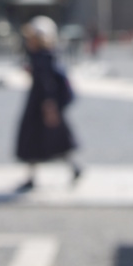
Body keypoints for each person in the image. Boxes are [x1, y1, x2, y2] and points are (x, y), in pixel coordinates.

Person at [15, 15, 82, 192]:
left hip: (42, 107)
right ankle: (36, 175)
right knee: (49, 142)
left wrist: (49, 105)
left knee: (40, 141)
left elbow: (48, 84)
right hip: (43, 105)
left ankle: (35, 176)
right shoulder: (45, 56)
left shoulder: (43, 58)